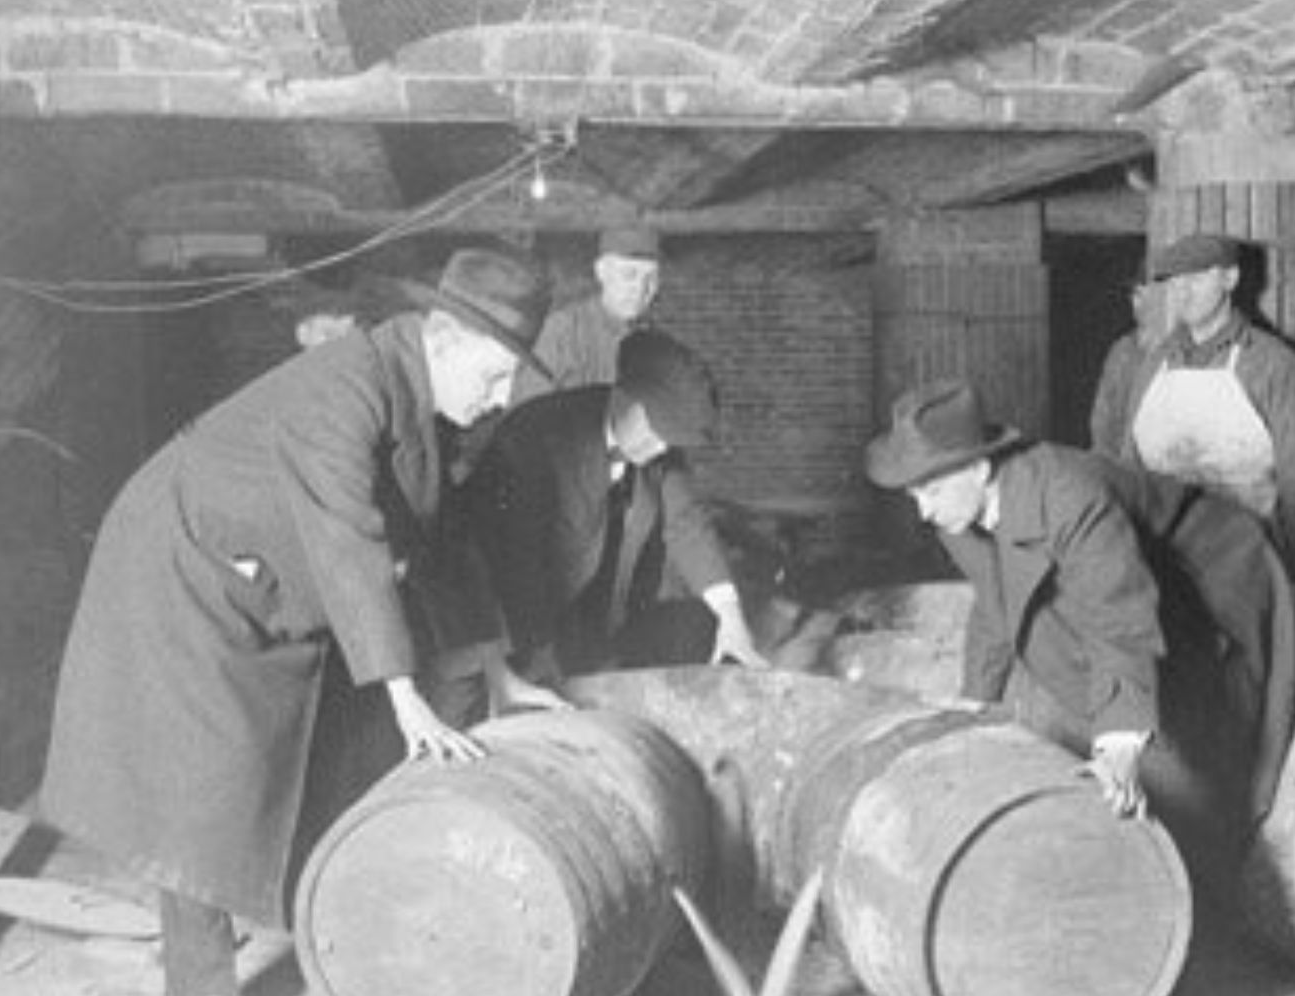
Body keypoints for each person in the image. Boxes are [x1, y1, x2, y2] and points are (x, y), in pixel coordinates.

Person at [39, 247, 565, 996]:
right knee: (206, 802)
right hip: (185, 571)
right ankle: (202, 985)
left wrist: (498, 673)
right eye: (494, 373)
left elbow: (441, 541)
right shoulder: (346, 390)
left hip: (263, 575)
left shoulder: (423, 392)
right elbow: (354, 544)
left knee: (291, 762)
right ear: (442, 338)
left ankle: (328, 935)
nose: (502, 395)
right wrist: (407, 695)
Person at [865, 379, 1295, 888]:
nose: (923, 509)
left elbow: (1119, 616)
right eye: (915, 493)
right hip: (1136, 569)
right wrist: (975, 700)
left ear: (979, 469)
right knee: (1094, 688)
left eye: (932, 489)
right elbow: (995, 598)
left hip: (1214, 562)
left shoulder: (1071, 497)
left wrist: (1118, 739)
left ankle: (1227, 875)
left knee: (1210, 728)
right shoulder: (954, 515)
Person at [461, 329, 769, 679]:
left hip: (588, 617)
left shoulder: (658, 443)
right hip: (497, 622)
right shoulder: (537, 434)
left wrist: (731, 619)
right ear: (623, 399)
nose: (660, 451)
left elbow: (687, 523)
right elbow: (518, 558)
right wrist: (539, 651)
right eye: (656, 435)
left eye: (669, 443)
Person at [1100, 233, 1295, 581]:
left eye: (1196, 278)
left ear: (1230, 279)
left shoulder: (1273, 365)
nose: (1183, 292)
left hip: (1251, 560)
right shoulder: (1154, 363)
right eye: (1176, 281)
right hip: (1166, 556)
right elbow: (1128, 464)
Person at [509, 224, 662, 403]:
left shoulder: (652, 340)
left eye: (651, 278)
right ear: (601, 272)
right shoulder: (564, 331)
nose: (641, 289)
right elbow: (525, 415)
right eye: (629, 275)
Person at [1088, 267, 1173, 455]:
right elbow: (1102, 418)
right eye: (1136, 295)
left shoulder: (1178, 354)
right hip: (1119, 466)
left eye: (1147, 295)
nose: (1138, 304)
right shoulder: (1121, 350)